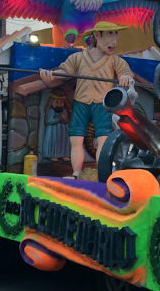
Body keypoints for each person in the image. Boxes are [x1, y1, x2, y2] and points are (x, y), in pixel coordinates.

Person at [40, 21, 132, 179]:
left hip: (102, 105)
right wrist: (51, 74)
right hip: (81, 103)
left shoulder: (115, 60)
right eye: (110, 36)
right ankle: (76, 173)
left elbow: (126, 72)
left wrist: (124, 76)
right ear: (97, 35)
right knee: (76, 138)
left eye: (116, 36)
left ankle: (102, 174)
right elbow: (64, 71)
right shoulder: (78, 57)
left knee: (103, 140)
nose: (114, 41)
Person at [42, 88, 72, 162]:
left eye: (61, 102)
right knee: (54, 143)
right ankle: (53, 155)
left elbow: (67, 120)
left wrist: (65, 119)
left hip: (63, 130)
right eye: (57, 102)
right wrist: (59, 119)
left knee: (63, 142)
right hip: (53, 131)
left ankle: (64, 155)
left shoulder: (64, 110)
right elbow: (49, 120)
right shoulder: (51, 111)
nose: (59, 104)